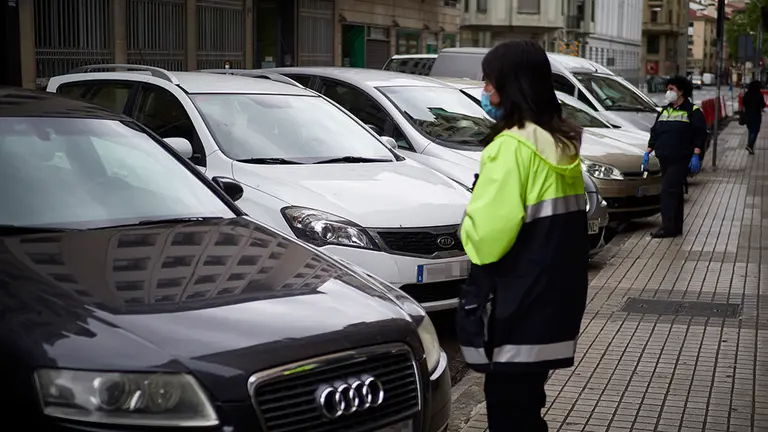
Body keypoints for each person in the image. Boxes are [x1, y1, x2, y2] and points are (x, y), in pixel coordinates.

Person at [456, 40, 589, 432]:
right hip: (553, 303)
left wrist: (469, 220)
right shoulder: (560, 143)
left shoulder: (511, 148)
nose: (484, 92)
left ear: (510, 87)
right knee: (527, 407)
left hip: (516, 305)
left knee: (508, 411)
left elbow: (485, 240)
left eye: (489, 83)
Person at [644, 75, 707, 239]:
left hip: (681, 158)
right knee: (675, 192)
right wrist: (648, 150)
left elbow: (700, 134)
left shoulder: (692, 111)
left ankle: (667, 228)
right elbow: (655, 131)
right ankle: (676, 226)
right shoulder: (665, 110)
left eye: (671, 89)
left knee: (667, 191)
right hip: (665, 157)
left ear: (681, 92)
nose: (668, 92)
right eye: (668, 89)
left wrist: (696, 155)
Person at [742, 80, 765, 154]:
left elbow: (744, 103)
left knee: (750, 131)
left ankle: (750, 148)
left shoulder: (747, 94)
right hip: (756, 115)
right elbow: (762, 104)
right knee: (755, 131)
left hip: (748, 115)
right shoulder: (759, 94)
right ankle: (750, 145)